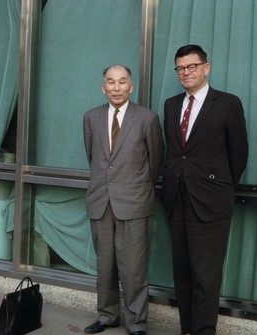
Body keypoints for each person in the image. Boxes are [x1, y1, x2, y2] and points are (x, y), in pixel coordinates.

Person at [162, 45, 249, 335]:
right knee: (182, 272)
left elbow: (239, 155)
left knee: (206, 275)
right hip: (177, 199)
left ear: (206, 68)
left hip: (210, 203)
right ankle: (187, 329)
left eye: (192, 66)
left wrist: (218, 189)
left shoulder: (227, 104)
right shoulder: (171, 105)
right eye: (180, 68)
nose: (186, 73)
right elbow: (175, 153)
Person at [83, 65, 164, 335]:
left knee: (134, 269)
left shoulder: (147, 118)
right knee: (104, 266)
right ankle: (107, 316)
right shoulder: (91, 117)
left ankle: (137, 323)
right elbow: (94, 158)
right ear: (102, 87)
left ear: (131, 86)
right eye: (110, 82)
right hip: (101, 202)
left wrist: (135, 188)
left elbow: (155, 163)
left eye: (122, 82)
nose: (116, 88)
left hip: (135, 202)